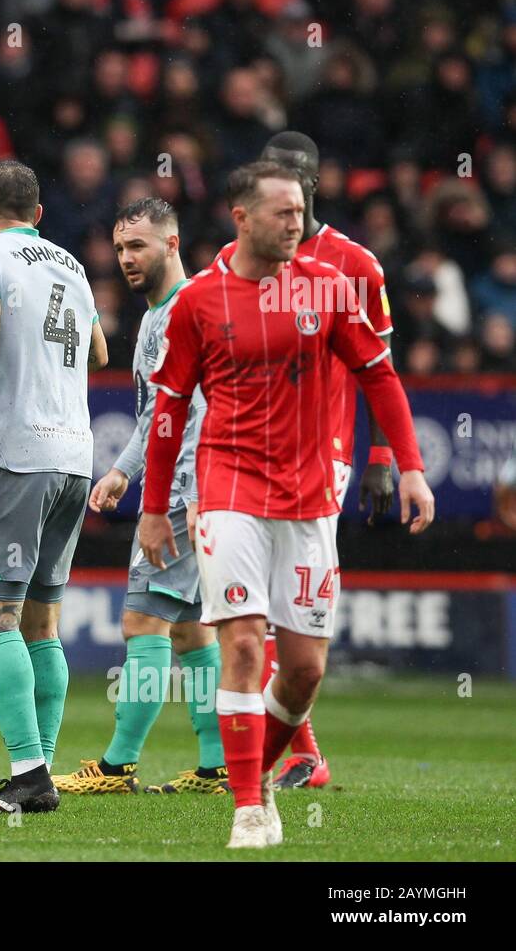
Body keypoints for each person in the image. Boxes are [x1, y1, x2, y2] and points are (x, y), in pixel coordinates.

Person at [138, 161, 433, 848]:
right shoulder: (199, 301)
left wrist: (410, 467)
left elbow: (379, 375)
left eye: (301, 212)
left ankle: (259, 773)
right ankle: (247, 809)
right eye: (283, 214)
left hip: (309, 494)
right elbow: (168, 412)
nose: (297, 224)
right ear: (241, 217)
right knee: (242, 642)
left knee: (303, 671)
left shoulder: (328, 288)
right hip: (228, 485)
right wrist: (157, 506)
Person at [214, 131, 396, 789]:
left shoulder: (355, 264)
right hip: (247, 455)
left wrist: (381, 452)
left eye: (292, 183)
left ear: (312, 185)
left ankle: (293, 754)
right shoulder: (242, 260)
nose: (282, 195)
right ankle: (296, 754)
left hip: (326, 452)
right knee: (251, 618)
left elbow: (380, 368)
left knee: (282, 618)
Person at [0, 160, 108, 815]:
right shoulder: (68, 262)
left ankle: (29, 772)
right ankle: (38, 769)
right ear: (38, 214)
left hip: (17, 451)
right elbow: (96, 350)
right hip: (75, 456)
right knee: (42, 622)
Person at [53, 197, 226, 797]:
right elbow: (159, 410)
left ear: (172, 245)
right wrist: (125, 471)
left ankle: (119, 763)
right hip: (198, 489)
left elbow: (188, 415)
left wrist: (167, 492)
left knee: (141, 621)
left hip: (188, 490)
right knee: (192, 628)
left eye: (139, 247)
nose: (126, 259)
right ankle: (216, 764)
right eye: (121, 248)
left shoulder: (184, 312)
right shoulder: (160, 315)